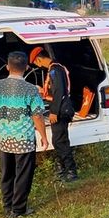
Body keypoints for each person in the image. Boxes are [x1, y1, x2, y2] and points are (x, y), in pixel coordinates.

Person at [0, 51, 49, 218]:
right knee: (23, 174)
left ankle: (8, 207)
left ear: (7, 67)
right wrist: (43, 136)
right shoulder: (30, 89)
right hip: (24, 140)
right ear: (27, 67)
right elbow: (37, 115)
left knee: (7, 173)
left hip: (5, 138)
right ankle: (19, 210)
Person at [30, 47, 78, 181]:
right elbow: (55, 91)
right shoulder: (55, 68)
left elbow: (59, 92)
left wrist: (54, 112)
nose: (38, 66)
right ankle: (63, 168)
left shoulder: (55, 70)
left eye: (36, 63)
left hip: (61, 111)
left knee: (60, 141)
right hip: (62, 109)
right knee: (59, 141)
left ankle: (71, 171)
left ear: (39, 59)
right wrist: (43, 91)